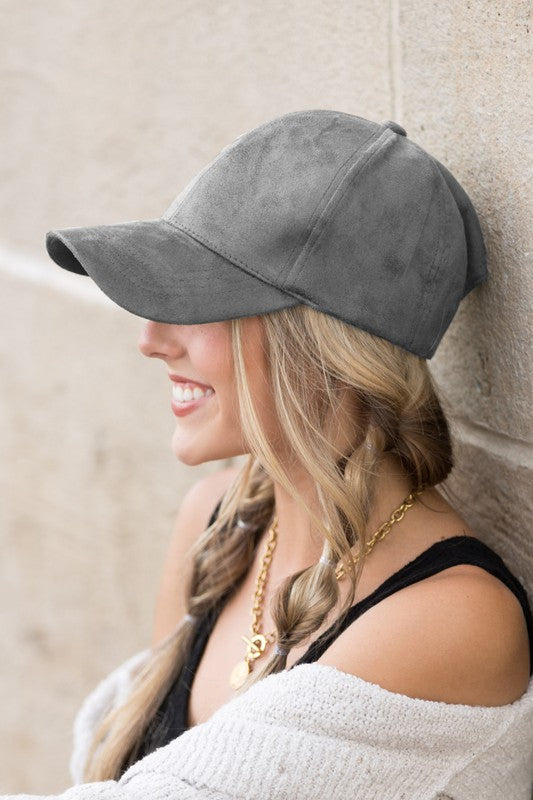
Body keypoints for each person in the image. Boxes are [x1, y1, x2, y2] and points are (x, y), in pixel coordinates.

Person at [4, 110, 532, 799]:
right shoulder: (217, 521)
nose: (152, 339)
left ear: (320, 344)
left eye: (196, 300)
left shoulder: (449, 618)